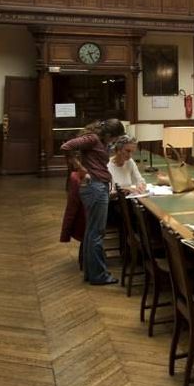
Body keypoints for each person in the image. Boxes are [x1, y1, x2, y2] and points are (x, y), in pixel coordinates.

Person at [61, 118, 124, 285]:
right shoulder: (93, 139)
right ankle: (98, 276)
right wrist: (81, 168)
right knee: (96, 233)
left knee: (91, 232)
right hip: (95, 187)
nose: (114, 142)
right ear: (109, 134)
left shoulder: (98, 140)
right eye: (115, 138)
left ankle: (92, 273)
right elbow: (66, 146)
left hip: (96, 186)